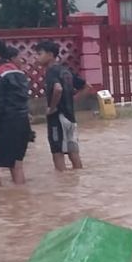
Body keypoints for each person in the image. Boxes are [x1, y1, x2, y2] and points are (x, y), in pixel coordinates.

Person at [0, 38, 32, 187]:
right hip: (22, 123)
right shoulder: (18, 72)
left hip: (5, 125)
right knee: (16, 165)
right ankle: (19, 199)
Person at [33, 40, 83, 170]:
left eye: (39, 54)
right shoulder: (65, 71)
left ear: (50, 55)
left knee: (57, 152)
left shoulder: (51, 71)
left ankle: (62, 182)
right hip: (70, 117)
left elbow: (58, 88)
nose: (36, 57)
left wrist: (52, 107)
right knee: (73, 151)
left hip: (57, 118)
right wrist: (72, 100)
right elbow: (87, 87)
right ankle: (75, 179)